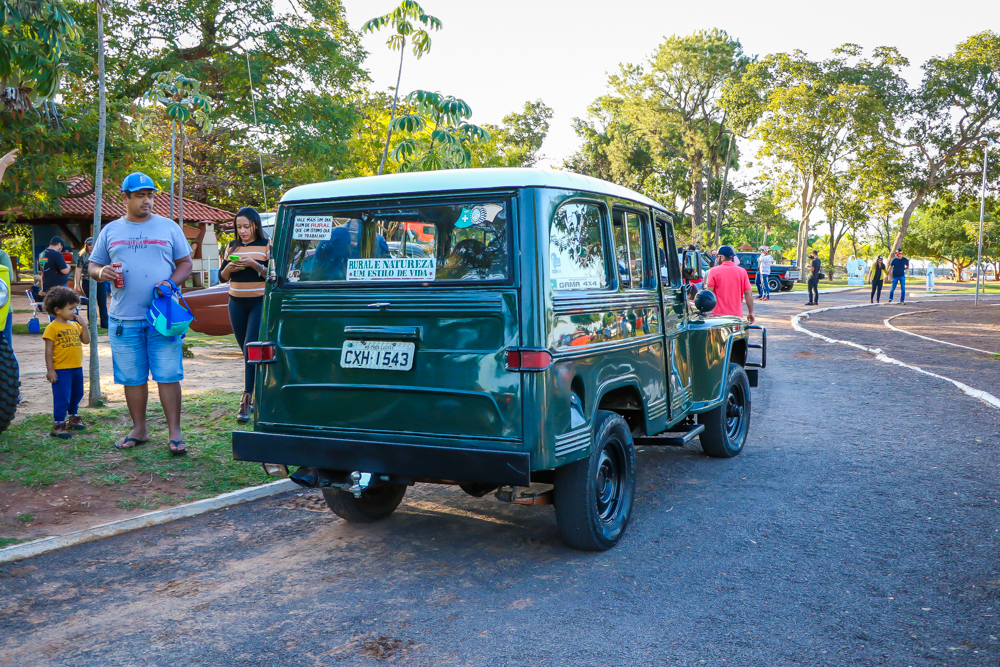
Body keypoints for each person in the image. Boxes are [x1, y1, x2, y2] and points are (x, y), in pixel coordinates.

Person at [88, 172, 193, 455]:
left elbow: (185, 263)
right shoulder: (111, 231)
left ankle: (175, 433)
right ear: (125, 197)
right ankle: (140, 429)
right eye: (140, 195)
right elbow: (93, 266)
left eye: (150, 195)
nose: (147, 200)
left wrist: (172, 282)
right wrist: (101, 272)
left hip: (163, 316)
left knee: (168, 374)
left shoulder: (168, 227)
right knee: (131, 377)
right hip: (123, 317)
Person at [220, 207, 271, 422]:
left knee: (251, 349)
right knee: (246, 352)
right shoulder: (232, 246)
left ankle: (246, 400)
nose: (242, 231)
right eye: (238, 227)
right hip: (236, 303)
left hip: (258, 302)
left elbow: (272, 275)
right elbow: (222, 278)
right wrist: (231, 267)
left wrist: (254, 265)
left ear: (256, 225)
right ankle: (262, 392)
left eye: (246, 226)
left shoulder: (266, 245)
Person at [42, 286, 90, 439]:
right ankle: (58, 425)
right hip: (62, 370)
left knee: (77, 394)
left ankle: (73, 418)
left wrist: (83, 324)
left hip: (76, 368)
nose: (74, 312)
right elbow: (48, 351)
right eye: (71, 308)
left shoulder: (75, 325)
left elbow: (86, 341)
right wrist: (51, 370)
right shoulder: (52, 328)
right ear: (57, 310)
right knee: (62, 397)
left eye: (75, 308)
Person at [705, 245, 755, 323]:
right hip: (736, 317)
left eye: (717, 256)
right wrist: (750, 312)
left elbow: (708, 294)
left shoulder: (713, 271)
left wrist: (705, 311)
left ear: (723, 257)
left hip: (718, 318)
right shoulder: (742, 272)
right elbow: (748, 293)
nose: (716, 259)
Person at [74, 237, 109, 330]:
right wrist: (76, 284)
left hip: (99, 280)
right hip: (87, 281)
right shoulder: (82, 256)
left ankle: (105, 324)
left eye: (93, 244)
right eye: (89, 244)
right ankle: (92, 323)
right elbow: (78, 271)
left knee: (102, 302)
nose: (91, 246)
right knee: (91, 303)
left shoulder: (101, 254)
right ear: (86, 246)